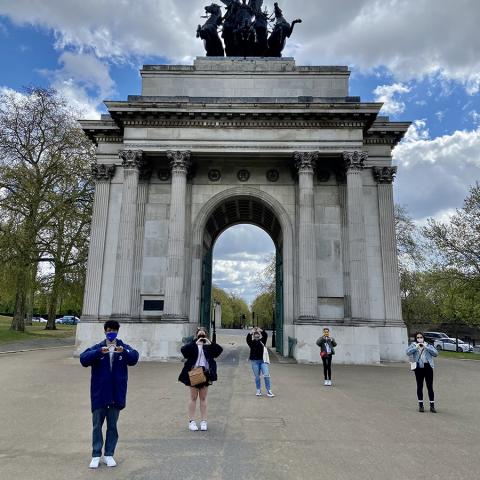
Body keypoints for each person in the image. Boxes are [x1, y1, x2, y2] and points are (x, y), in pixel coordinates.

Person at [80, 320, 139, 469]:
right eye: (108, 330)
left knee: (112, 426)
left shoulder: (123, 347)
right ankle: (95, 455)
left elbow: (134, 358)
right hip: (100, 393)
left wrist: (123, 352)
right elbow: (83, 359)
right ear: (105, 331)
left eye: (113, 330)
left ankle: (109, 454)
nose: (111, 332)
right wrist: (99, 352)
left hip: (115, 393)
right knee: (97, 425)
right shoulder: (98, 347)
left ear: (118, 332)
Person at [178, 327, 223, 432]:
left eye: (203, 335)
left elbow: (219, 351)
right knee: (193, 397)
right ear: (196, 335)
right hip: (194, 372)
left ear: (206, 336)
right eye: (199, 335)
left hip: (205, 373)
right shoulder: (193, 345)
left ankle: (203, 421)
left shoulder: (208, 345)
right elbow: (183, 351)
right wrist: (195, 343)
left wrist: (209, 343)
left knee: (203, 398)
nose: (201, 337)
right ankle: (191, 421)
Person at [406, 332, 438, 413]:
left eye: (421, 337)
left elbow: (435, 353)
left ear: (423, 337)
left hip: (428, 367)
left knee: (430, 386)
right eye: (418, 337)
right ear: (416, 338)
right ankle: (421, 405)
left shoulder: (428, 345)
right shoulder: (413, 345)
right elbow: (408, 352)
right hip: (419, 367)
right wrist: (416, 348)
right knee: (419, 386)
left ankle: (432, 406)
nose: (419, 338)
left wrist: (426, 347)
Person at [246, 327, 275, 397]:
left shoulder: (262, 341)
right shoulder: (251, 343)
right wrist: (251, 332)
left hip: (263, 361)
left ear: (259, 335)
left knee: (266, 375)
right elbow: (248, 339)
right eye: (255, 335)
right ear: (253, 336)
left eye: (257, 334)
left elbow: (265, 335)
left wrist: (261, 330)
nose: (256, 335)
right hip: (254, 361)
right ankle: (258, 390)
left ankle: (269, 391)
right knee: (257, 377)